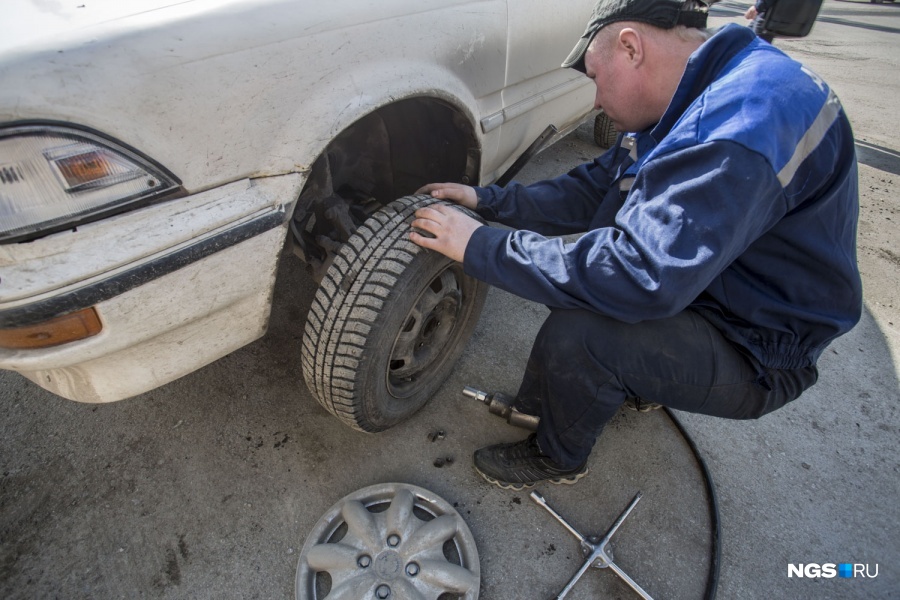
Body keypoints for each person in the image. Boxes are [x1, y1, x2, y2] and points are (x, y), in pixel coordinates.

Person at [409, 0, 861, 490]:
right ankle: (592, 394)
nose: (597, 102)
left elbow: (637, 276)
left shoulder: (740, 126)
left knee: (582, 335)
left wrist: (480, 246)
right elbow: (592, 190)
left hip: (760, 345)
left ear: (630, 47)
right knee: (583, 309)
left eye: (596, 80)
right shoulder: (695, 95)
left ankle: (558, 458)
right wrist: (487, 201)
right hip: (721, 287)